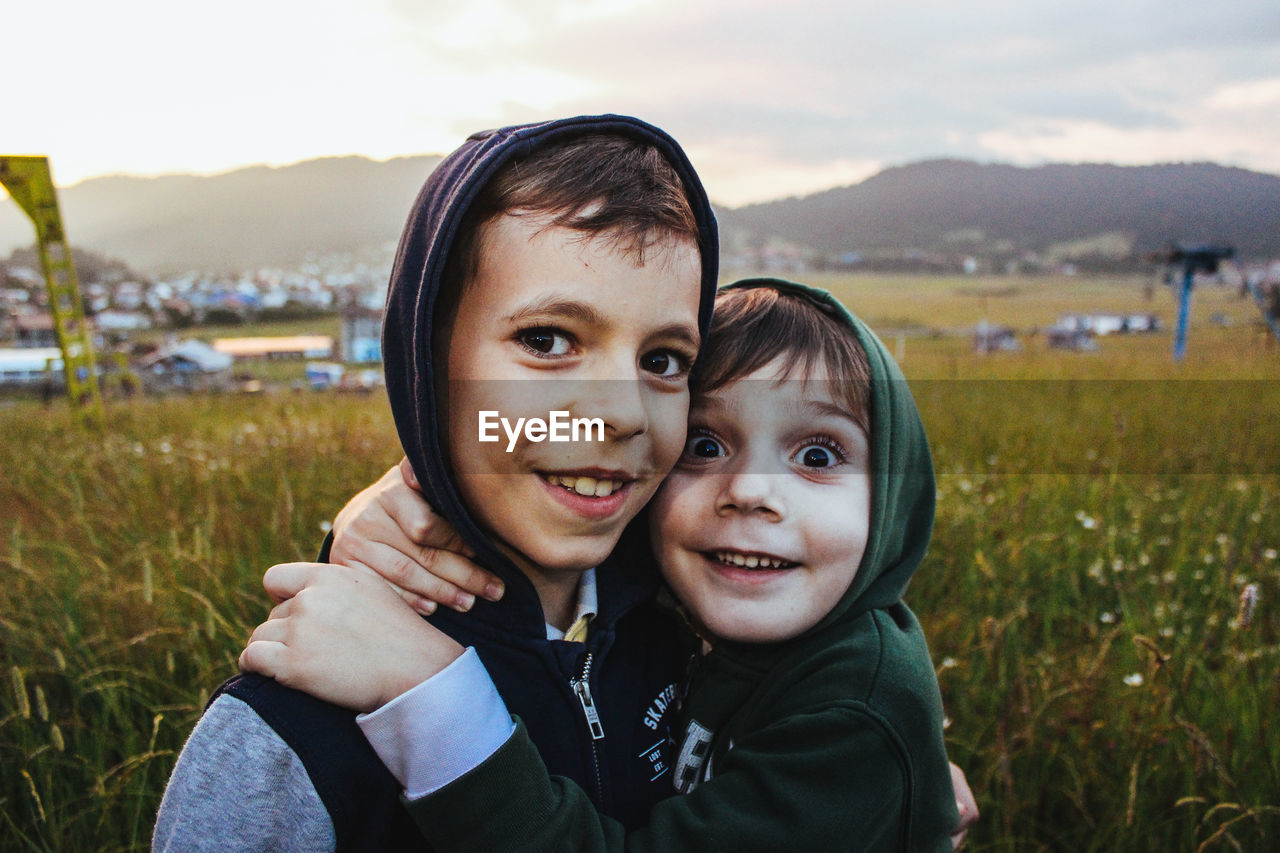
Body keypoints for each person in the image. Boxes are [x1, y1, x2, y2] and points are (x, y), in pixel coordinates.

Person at [153, 114, 721, 850]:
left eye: (665, 358)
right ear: (426, 362)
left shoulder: (701, 627)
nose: (620, 413)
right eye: (546, 341)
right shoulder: (301, 724)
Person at [244, 280, 967, 850]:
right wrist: (394, 508)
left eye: (817, 455)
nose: (748, 492)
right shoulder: (669, 586)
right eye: (704, 446)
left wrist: (424, 689)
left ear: (899, 495)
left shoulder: (857, 710)